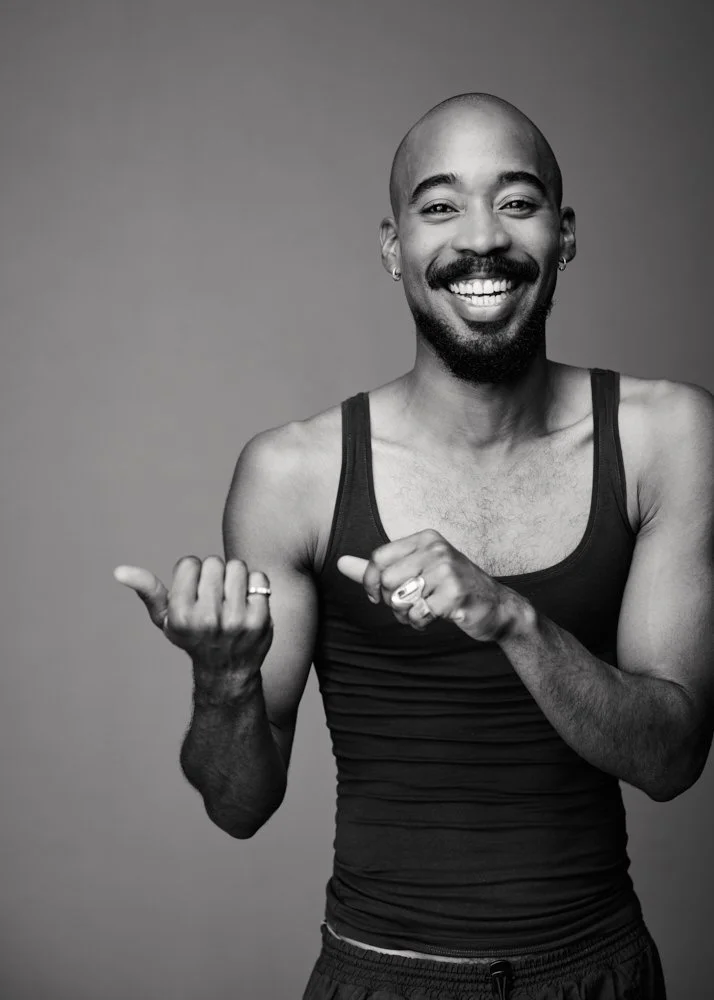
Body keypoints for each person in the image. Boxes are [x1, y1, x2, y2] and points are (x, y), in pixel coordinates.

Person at [114, 93, 713, 999]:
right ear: (394, 248)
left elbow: (671, 762)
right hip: (381, 976)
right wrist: (223, 680)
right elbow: (239, 806)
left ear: (565, 234)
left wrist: (512, 618)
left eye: (517, 202)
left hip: (598, 974)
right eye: (440, 206)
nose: (482, 237)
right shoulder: (295, 473)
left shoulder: (668, 436)